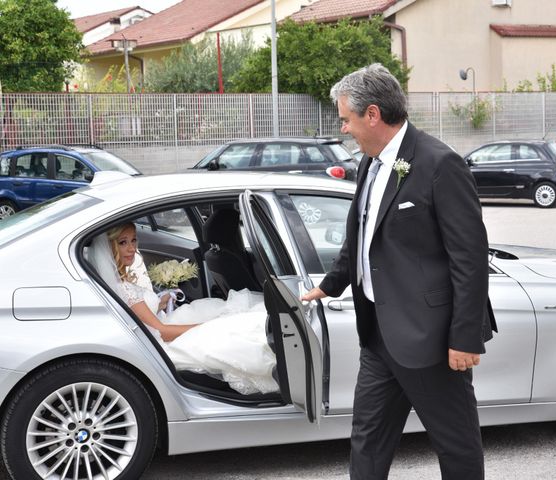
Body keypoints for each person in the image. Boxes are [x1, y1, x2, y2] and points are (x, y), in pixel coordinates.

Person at [302, 64, 497, 480]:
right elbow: (361, 237)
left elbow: (470, 257)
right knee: (367, 440)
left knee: (457, 446)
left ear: (372, 114)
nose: (345, 130)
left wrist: (465, 338)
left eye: (346, 119)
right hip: (378, 336)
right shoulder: (368, 165)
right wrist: (329, 285)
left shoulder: (440, 163)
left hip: (432, 339)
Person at [87, 222, 279, 395]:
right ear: (109, 247)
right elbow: (162, 332)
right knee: (230, 326)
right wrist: (205, 326)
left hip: (163, 325)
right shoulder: (124, 289)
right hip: (162, 342)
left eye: (133, 240)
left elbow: (141, 312)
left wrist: (160, 301)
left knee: (228, 312)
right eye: (122, 243)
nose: (131, 248)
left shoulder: (120, 282)